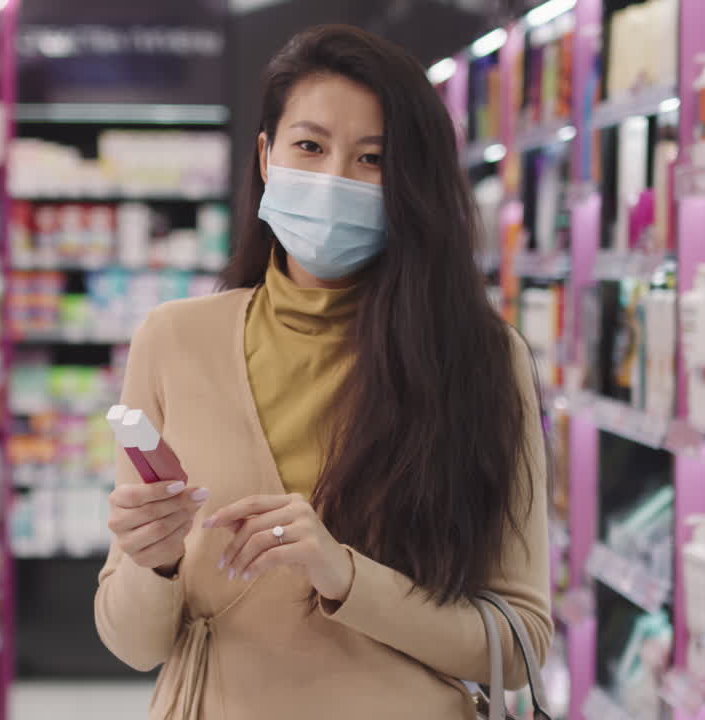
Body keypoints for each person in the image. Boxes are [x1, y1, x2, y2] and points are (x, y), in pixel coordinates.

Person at [95, 24, 551, 719]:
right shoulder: (174, 340)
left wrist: (342, 574)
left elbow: (518, 644)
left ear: (409, 184)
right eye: (309, 146)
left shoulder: (481, 359)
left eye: (373, 159)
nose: (336, 178)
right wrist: (150, 562)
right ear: (266, 156)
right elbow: (133, 644)